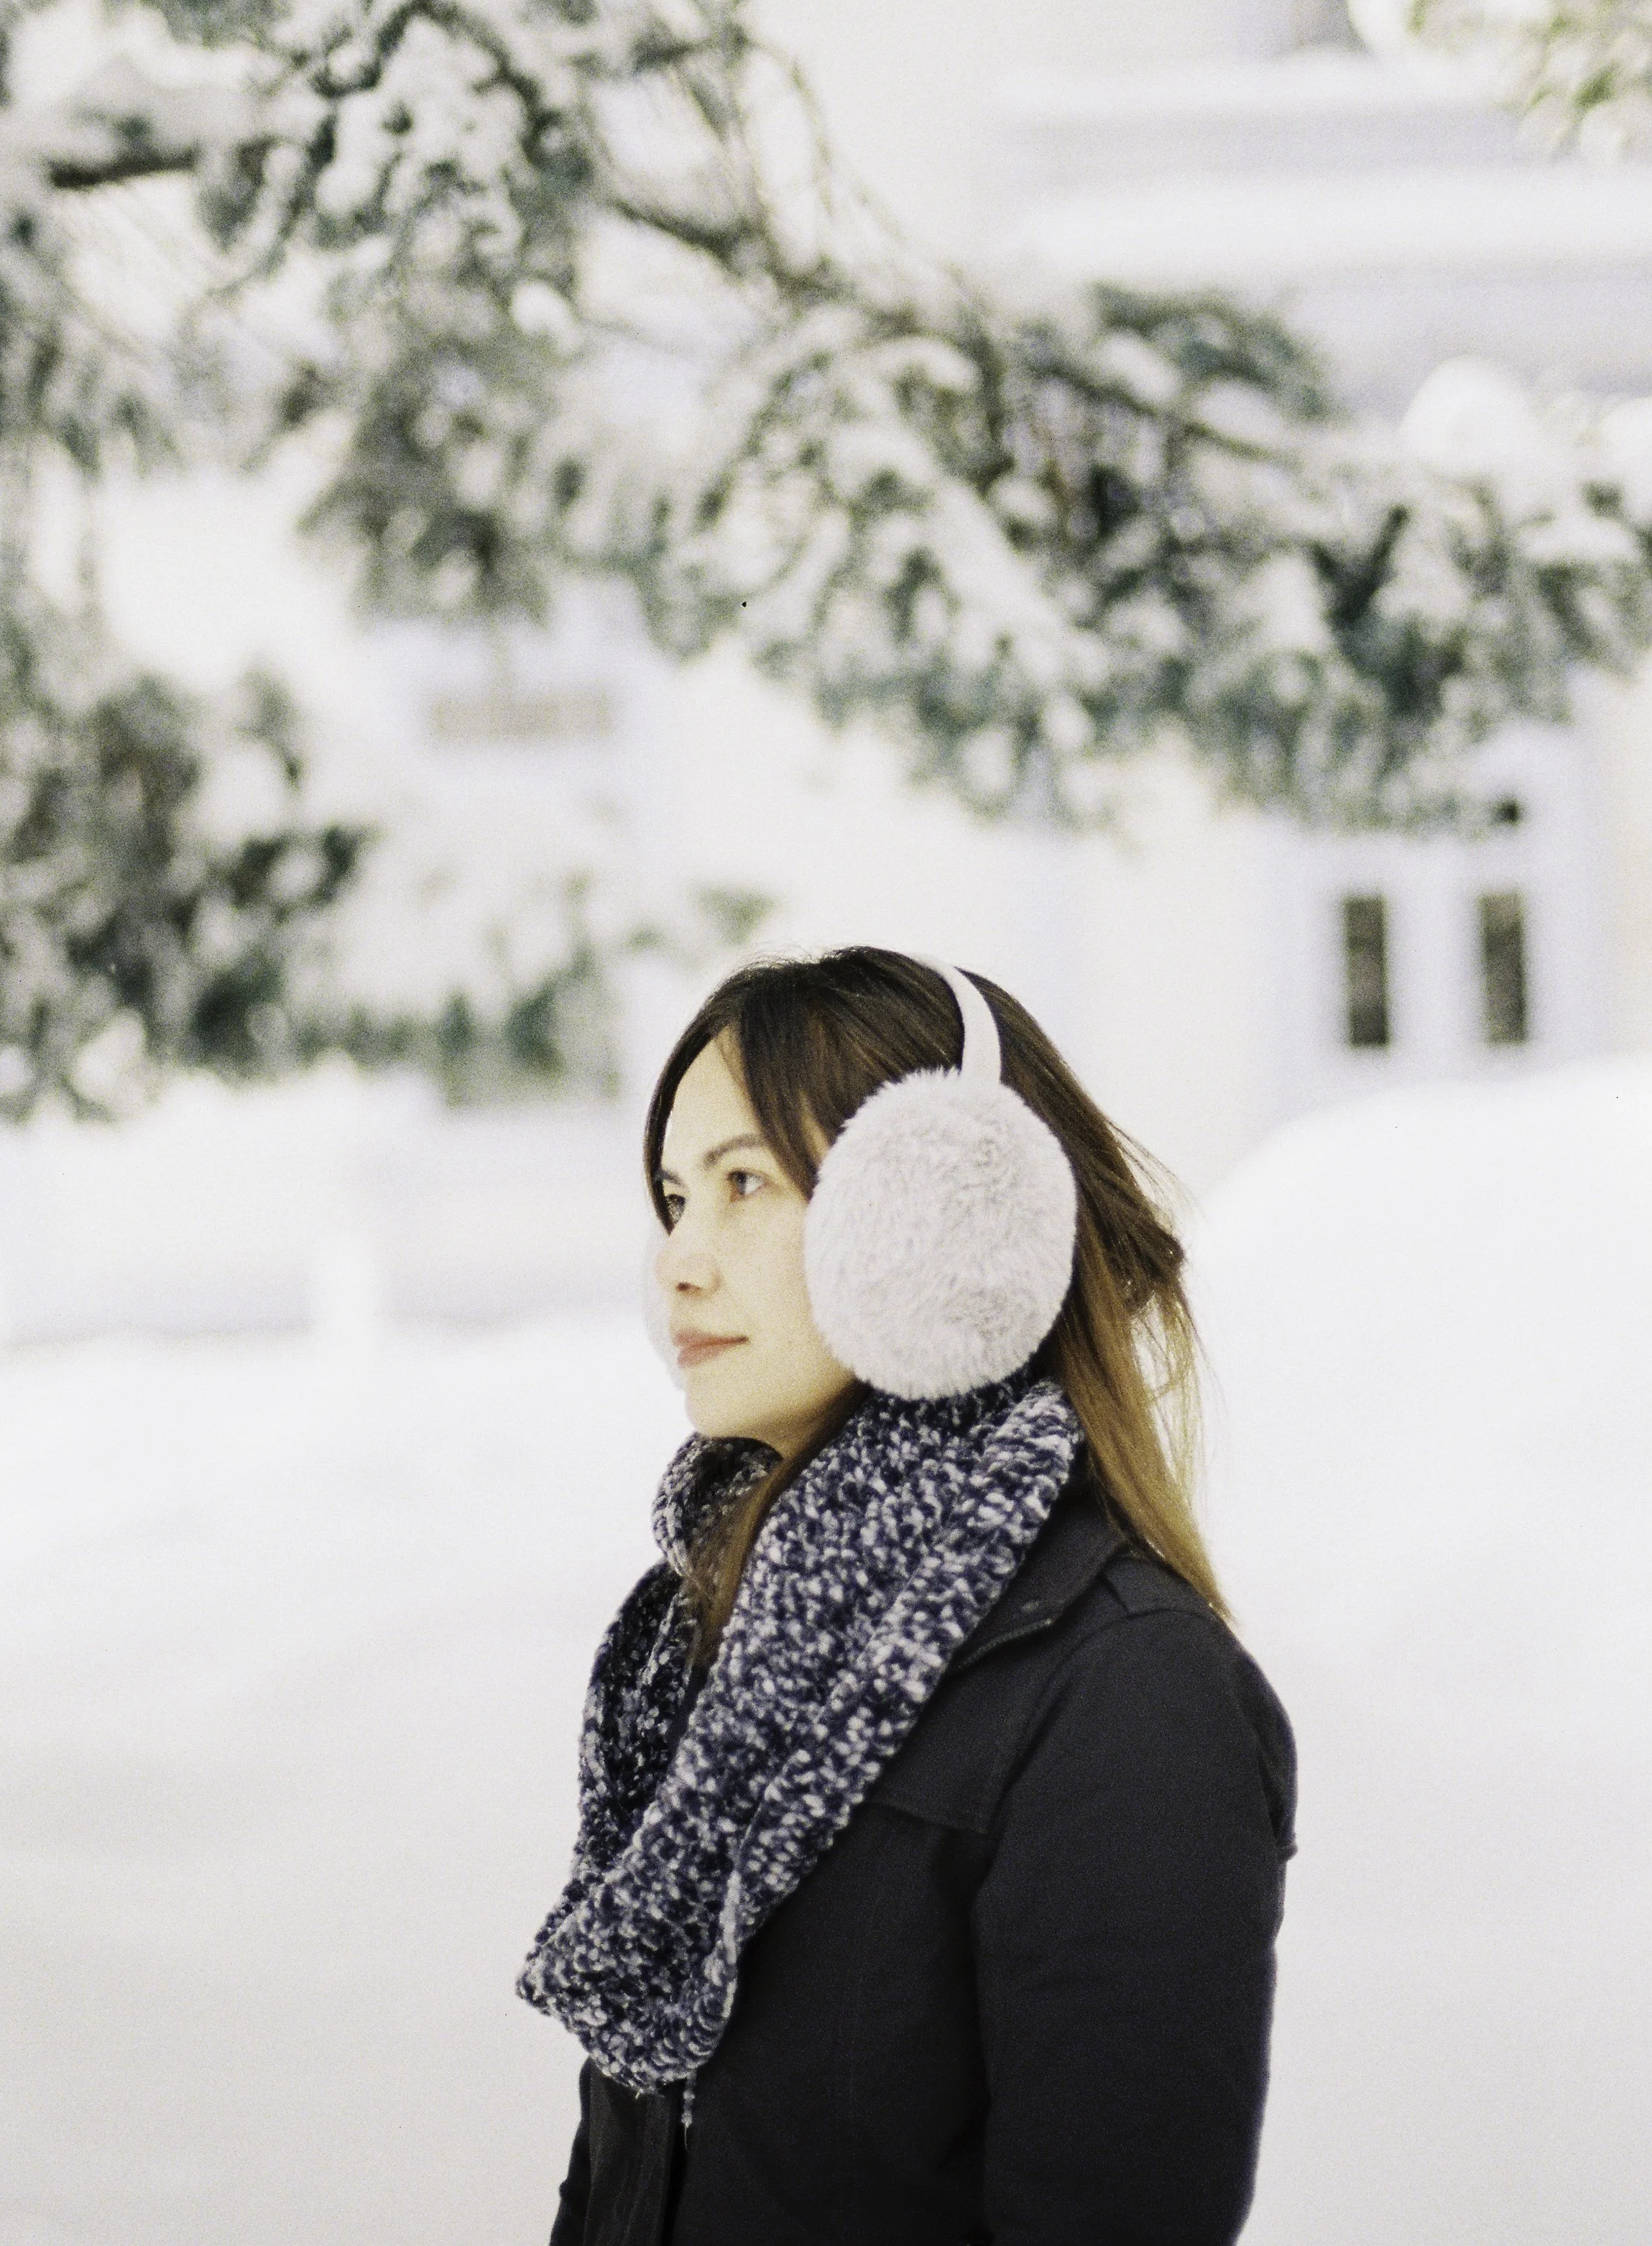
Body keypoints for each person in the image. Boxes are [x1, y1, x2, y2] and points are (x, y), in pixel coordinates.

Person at [519, 947, 1296, 2246]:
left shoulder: (1127, 1697)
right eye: (673, 1197)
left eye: (745, 1184)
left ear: (939, 1218)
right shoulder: (714, 1649)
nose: (679, 1262)